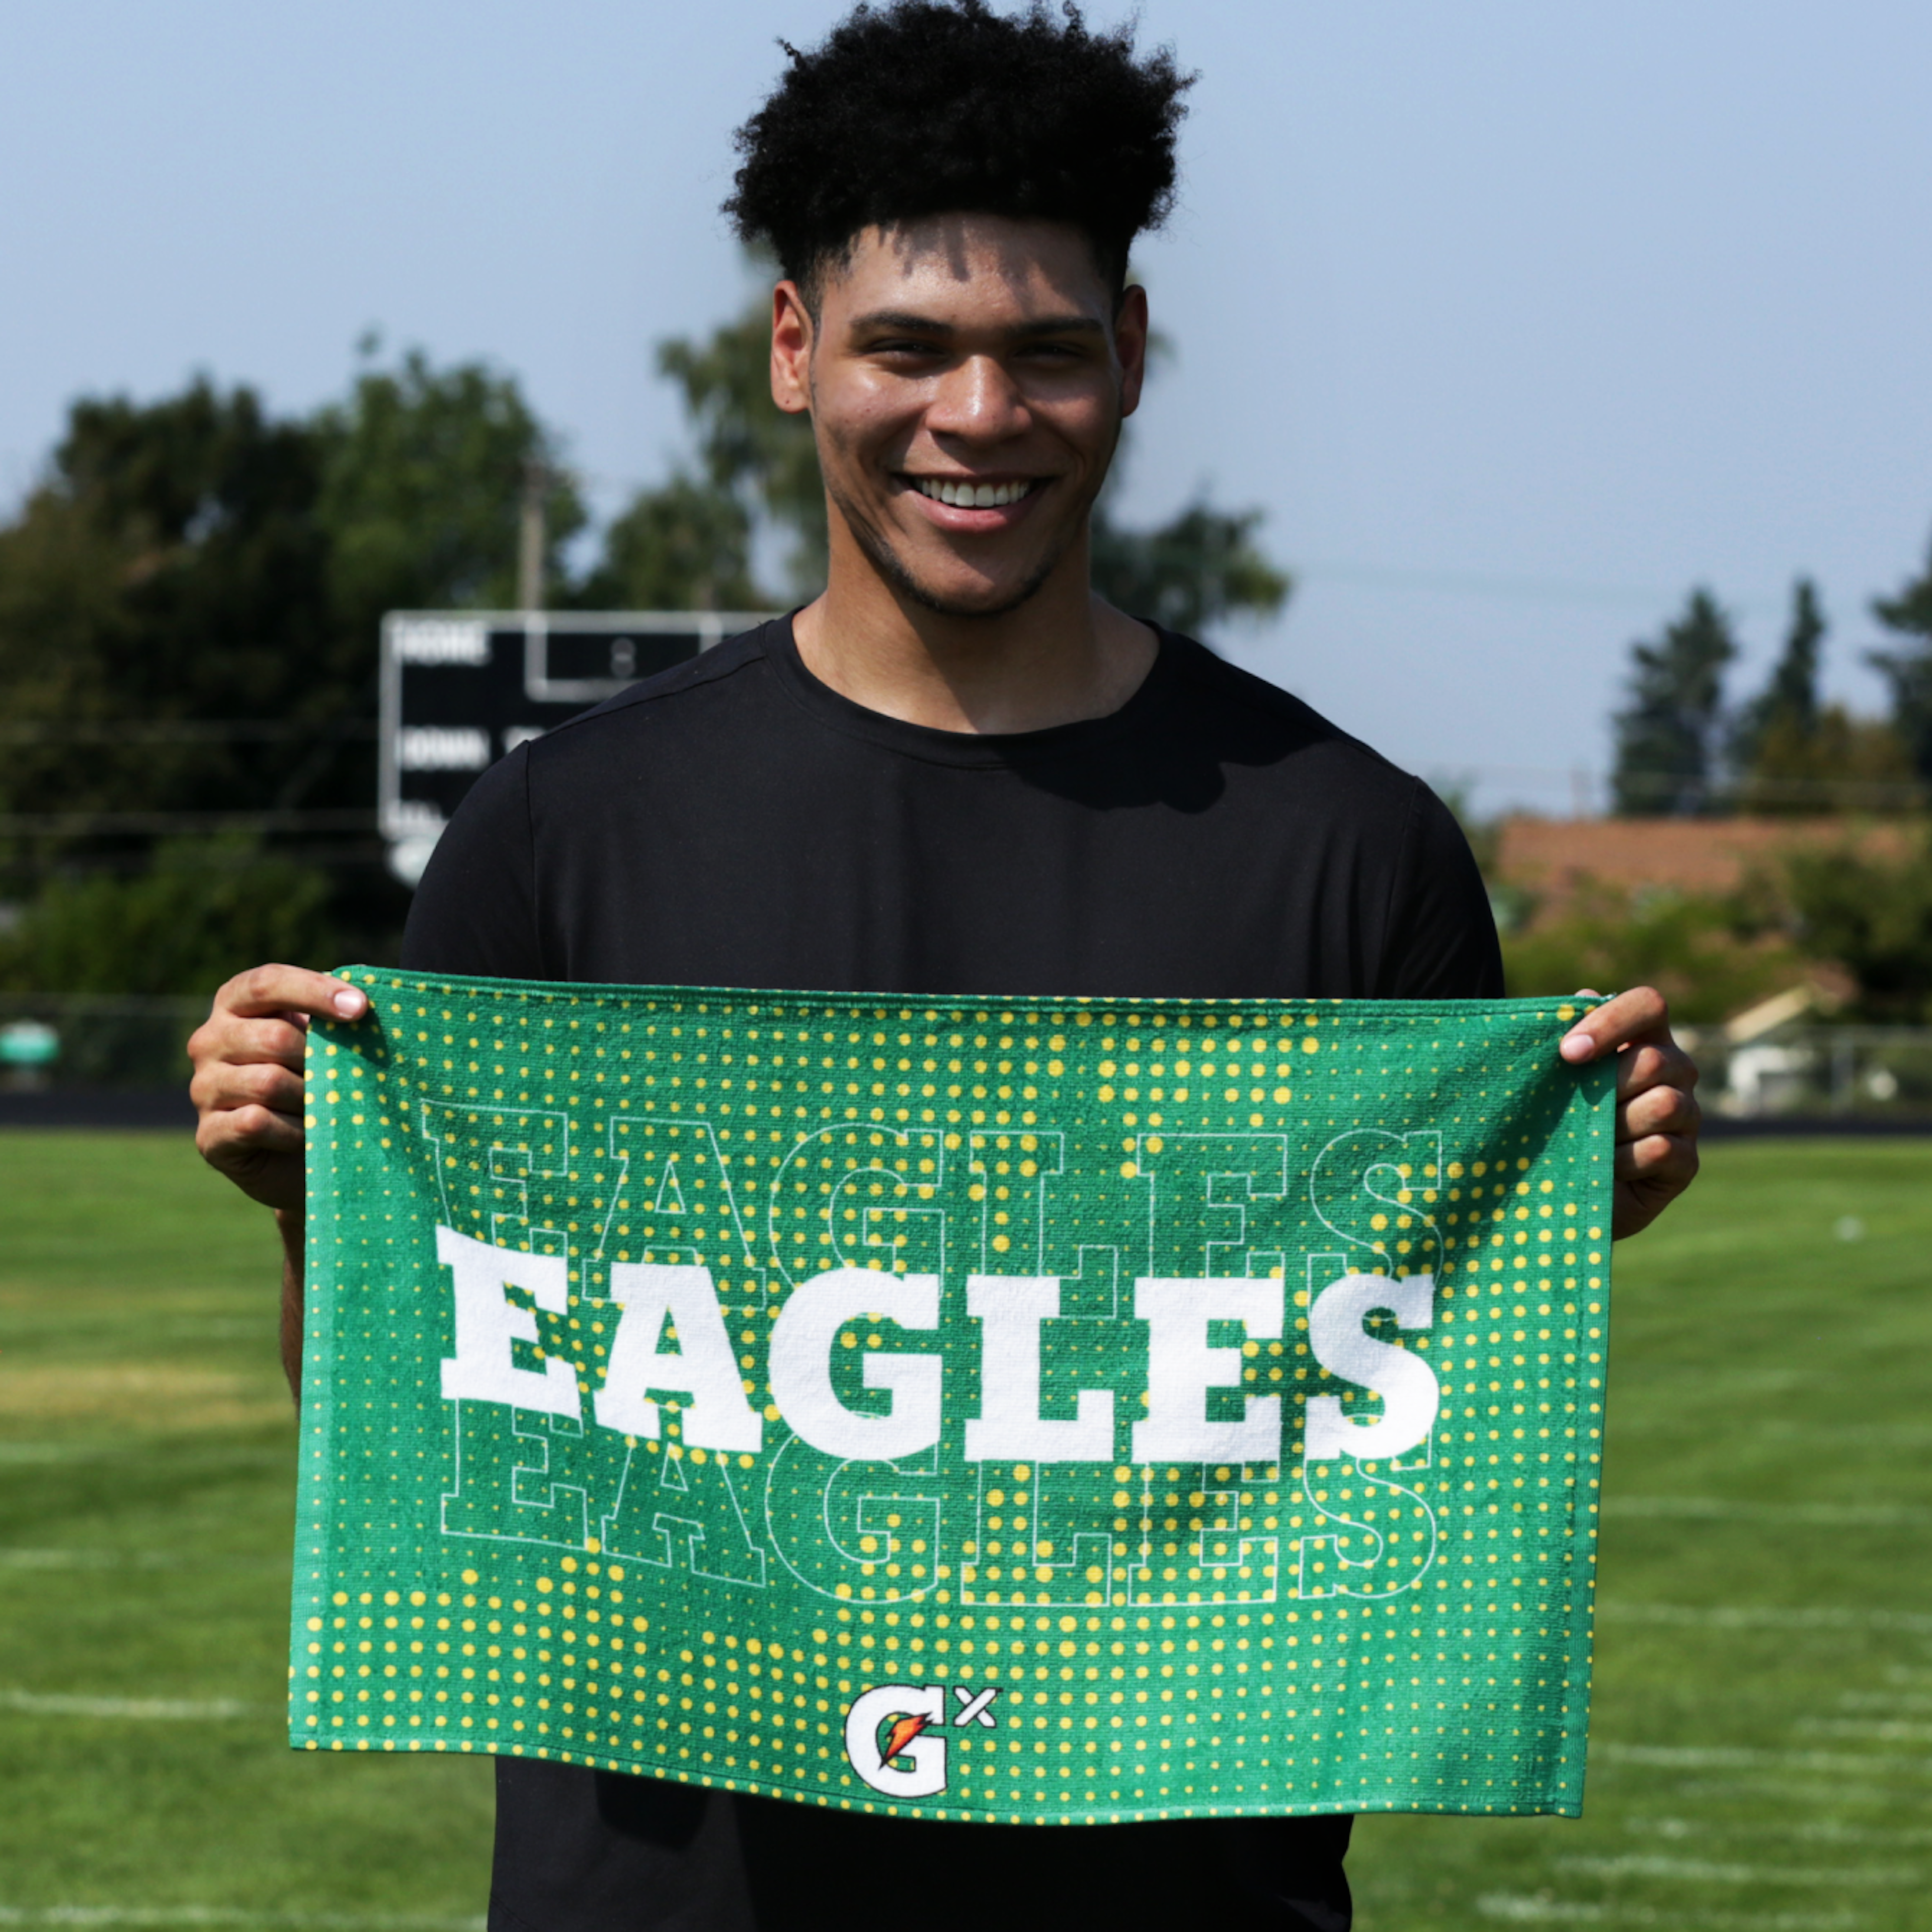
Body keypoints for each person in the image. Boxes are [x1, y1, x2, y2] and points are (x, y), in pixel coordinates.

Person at [187, 4, 1702, 1927]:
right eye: (909, 345)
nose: (978, 417)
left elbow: (1391, 1509)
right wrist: (326, 1199)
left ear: (1132, 361)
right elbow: (453, 1471)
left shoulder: (1348, 847)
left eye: (1045, 353)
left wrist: (1564, 1198)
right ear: (796, 349)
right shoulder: (566, 834)